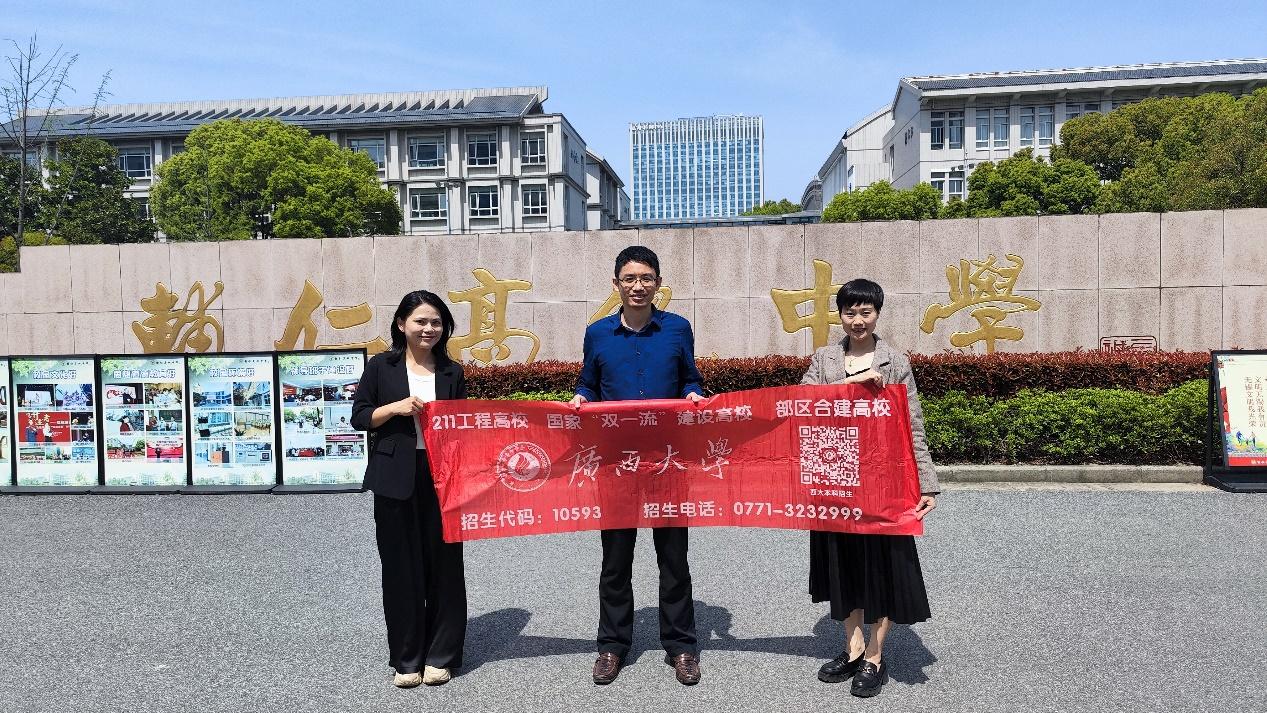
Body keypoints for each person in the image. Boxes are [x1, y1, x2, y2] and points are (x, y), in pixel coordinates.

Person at [569, 245, 706, 686]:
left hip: (668, 461)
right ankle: (612, 646)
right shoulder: (598, 334)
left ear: (658, 284)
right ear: (616, 284)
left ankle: (681, 646)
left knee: (674, 558)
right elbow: (588, 382)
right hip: (617, 463)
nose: (638, 286)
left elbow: (690, 378)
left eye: (646, 278)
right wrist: (581, 398)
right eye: (629, 278)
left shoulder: (678, 329)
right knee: (615, 559)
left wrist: (693, 394)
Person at [800, 278, 939, 698]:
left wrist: (926, 484)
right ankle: (853, 647)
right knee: (842, 565)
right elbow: (801, 403)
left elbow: (912, 423)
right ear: (840, 315)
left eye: (866, 312)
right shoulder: (824, 358)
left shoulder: (896, 361)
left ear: (877, 314)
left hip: (883, 481)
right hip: (835, 477)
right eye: (850, 312)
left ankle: (875, 656)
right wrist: (852, 383)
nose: (858, 320)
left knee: (882, 566)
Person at [351, 290, 468, 689]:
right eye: (420, 321)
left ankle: (441, 656)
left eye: (436, 322)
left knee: (445, 567)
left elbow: (463, 426)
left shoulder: (452, 371)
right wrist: (395, 408)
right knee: (400, 569)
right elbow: (360, 416)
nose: (428, 329)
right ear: (402, 324)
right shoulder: (380, 367)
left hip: (442, 477)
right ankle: (406, 659)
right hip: (395, 478)